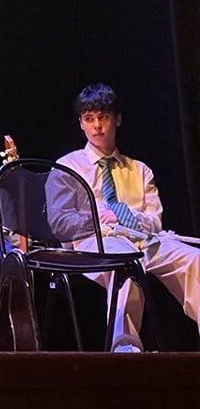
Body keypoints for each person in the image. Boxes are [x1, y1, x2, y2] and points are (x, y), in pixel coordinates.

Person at [54, 83, 200, 352]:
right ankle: (125, 347)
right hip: (94, 242)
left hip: (143, 240)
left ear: (117, 120)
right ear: (81, 124)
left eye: (104, 117)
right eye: (89, 119)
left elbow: (154, 221)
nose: (97, 126)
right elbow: (60, 223)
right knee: (126, 263)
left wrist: (125, 215)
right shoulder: (68, 166)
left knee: (193, 258)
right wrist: (97, 218)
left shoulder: (140, 170)